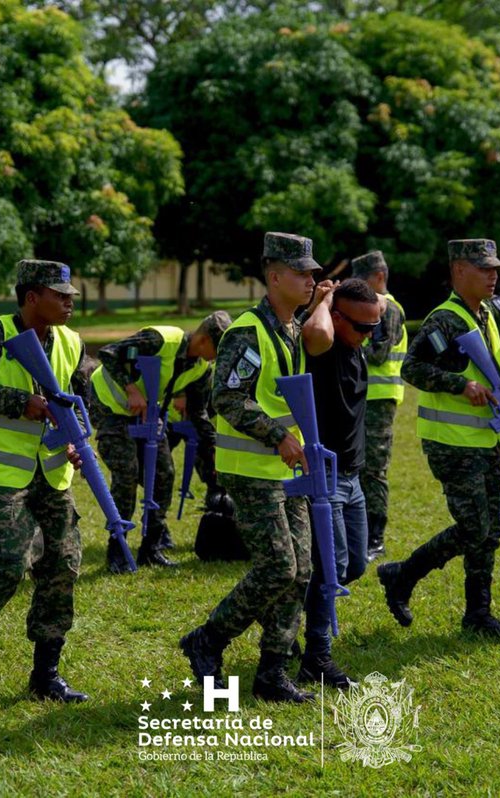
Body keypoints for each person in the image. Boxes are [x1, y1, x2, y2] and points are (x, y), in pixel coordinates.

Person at [179, 232, 332, 704]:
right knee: (277, 566)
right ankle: (208, 639)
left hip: (288, 468)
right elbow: (227, 396)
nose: (311, 279)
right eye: (302, 273)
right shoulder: (249, 330)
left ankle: (272, 670)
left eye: (312, 272)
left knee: (301, 569)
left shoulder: (289, 328)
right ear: (274, 276)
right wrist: (278, 435)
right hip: (252, 468)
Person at [0, 259, 89, 702]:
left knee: (62, 566)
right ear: (31, 298)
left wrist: (76, 441)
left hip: (53, 471)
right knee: (9, 564)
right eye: (59, 295)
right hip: (0, 471)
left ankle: (46, 675)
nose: (69, 303)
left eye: (70, 296)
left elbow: (82, 400)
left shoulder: (70, 342)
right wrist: (17, 402)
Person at [377, 239, 500, 638]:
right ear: (459, 271)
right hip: (450, 441)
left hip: (483, 438)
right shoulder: (444, 319)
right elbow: (411, 368)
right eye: (485, 269)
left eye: (496, 268)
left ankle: (477, 615)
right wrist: (459, 385)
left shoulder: (485, 314)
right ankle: (403, 576)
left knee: (491, 530)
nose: (494, 275)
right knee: (475, 527)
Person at [90, 312, 230, 571]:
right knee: (127, 475)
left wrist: (215, 455)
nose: (218, 357)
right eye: (218, 349)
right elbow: (109, 353)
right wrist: (131, 389)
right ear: (203, 338)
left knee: (164, 474)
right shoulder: (162, 339)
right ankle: (117, 548)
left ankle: (151, 547)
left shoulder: (201, 369)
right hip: (109, 406)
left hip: (148, 413)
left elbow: (198, 415)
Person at [298, 277, 384, 689]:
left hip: (352, 477)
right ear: (335, 317)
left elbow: (377, 305)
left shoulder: (353, 346)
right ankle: (316, 655)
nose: (369, 335)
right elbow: (313, 331)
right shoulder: (324, 346)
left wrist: (364, 306)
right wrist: (325, 298)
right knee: (331, 569)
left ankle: (291, 613)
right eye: (362, 327)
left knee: (354, 565)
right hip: (325, 477)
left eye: (374, 327)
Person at [353, 251, 408, 561]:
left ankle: (376, 538)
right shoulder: (373, 307)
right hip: (363, 398)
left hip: (379, 400)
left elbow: (377, 355)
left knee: (373, 470)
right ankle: (361, 532)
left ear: (378, 278)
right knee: (359, 468)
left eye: (361, 282)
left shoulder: (388, 310)